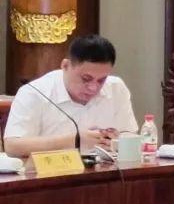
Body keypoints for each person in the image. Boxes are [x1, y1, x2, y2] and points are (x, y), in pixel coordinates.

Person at [4, 34, 138, 157]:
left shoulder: (116, 88)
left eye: (101, 80)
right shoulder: (34, 92)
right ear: (65, 66)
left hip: (104, 170)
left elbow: (129, 133)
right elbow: (13, 146)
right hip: (53, 172)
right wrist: (74, 140)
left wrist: (115, 140)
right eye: (86, 79)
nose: (93, 88)